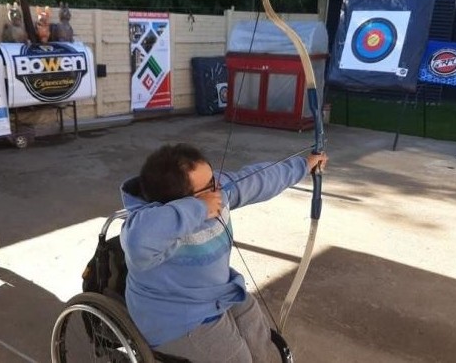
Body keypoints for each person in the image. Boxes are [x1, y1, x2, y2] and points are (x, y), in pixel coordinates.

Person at [119, 143, 328, 362]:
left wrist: (304, 165)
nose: (218, 187)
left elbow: (257, 180)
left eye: (214, 178)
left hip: (218, 292)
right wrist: (199, 209)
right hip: (175, 317)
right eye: (209, 186)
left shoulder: (214, 191)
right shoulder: (149, 226)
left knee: (260, 341)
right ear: (180, 202)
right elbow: (138, 241)